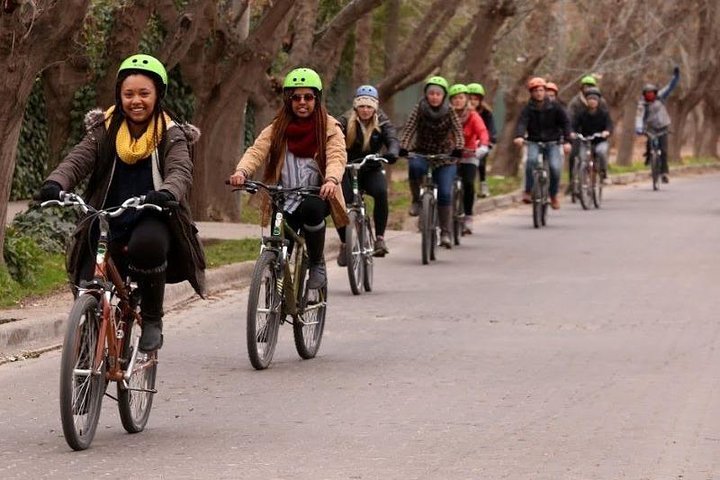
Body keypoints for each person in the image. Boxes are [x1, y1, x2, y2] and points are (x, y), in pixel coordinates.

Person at [36, 54, 206, 352]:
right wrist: (56, 183)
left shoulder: (170, 132)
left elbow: (180, 169)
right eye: (128, 94)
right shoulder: (106, 127)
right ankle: (89, 333)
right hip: (107, 213)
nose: (135, 101)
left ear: (158, 95)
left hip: (151, 212)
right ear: (119, 95)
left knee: (148, 245)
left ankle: (152, 317)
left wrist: (167, 192)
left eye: (144, 93)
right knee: (87, 269)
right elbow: (78, 159)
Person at [229, 67, 347, 289]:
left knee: (312, 210)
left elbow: (337, 156)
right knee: (279, 244)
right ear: (288, 100)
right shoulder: (278, 127)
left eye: (308, 97)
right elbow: (257, 150)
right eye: (296, 97)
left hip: (316, 193)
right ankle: (277, 286)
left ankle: (316, 263)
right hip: (284, 197)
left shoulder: (330, 127)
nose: (302, 102)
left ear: (317, 99)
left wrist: (331, 180)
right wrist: (242, 172)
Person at [335, 85, 399, 265]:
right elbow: (332, 138)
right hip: (347, 169)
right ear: (356, 106)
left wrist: (393, 152)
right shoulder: (345, 120)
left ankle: (379, 238)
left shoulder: (382, 121)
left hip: (371, 168)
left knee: (381, 192)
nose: (365, 110)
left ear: (375, 108)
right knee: (340, 203)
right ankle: (345, 243)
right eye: (362, 106)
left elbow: (392, 138)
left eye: (369, 106)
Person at [399, 75, 464, 248]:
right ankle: (416, 200)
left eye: (438, 94)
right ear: (427, 95)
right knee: (414, 166)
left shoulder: (449, 110)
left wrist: (458, 147)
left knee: (444, 192)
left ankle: (445, 232)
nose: (434, 96)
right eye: (431, 93)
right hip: (422, 153)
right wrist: (403, 146)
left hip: (445, 157)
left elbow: (458, 132)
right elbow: (409, 129)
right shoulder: (419, 108)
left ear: (443, 96)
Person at [513, 77, 571, 209]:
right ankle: (527, 191)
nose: (539, 93)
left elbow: (565, 123)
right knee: (531, 161)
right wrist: (520, 136)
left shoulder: (555, 106)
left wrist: (567, 141)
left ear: (545, 91)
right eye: (535, 91)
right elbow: (522, 123)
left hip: (553, 142)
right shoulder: (528, 108)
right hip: (534, 141)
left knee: (555, 168)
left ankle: (553, 195)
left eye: (541, 90)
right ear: (531, 93)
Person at [448, 83, 489, 234]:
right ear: (450, 101)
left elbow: (483, 131)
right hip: (450, 155)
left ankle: (468, 216)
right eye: (455, 98)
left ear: (466, 100)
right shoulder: (447, 114)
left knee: (468, 184)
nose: (458, 101)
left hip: (469, 154)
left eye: (461, 98)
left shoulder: (473, 115)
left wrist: (483, 146)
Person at [635, 66, 680, 183]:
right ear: (644, 94)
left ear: (655, 93)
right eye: (647, 93)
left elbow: (670, 87)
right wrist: (639, 128)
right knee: (650, 145)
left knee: (663, 151)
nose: (650, 95)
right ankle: (650, 160)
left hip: (663, 127)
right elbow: (639, 116)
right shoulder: (642, 104)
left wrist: (675, 77)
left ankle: (664, 173)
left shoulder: (660, 97)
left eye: (652, 93)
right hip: (650, 128)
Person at [566, 75, 608, 193]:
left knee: (599, 152)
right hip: (580, 133)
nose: (587, 89)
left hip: (596, 134)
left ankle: (601, 173)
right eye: (585, 86)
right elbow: (570, 117)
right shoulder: (575, 102)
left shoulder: (601, 101)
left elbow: (606, 118)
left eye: (590, 86)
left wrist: (605, 131)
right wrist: (571, 132)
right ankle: (573, 182)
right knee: (574, 155)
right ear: (581, 87)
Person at [571, 87, 612, 180]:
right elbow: (574, 124)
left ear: (598, 101)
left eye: (594, 99)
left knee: (601, 152)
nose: (592, 101)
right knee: (582, 158)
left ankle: (603, 172)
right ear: (586, 101)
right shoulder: (581, 113)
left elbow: (609, 125)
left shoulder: (604, 113)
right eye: (590, 99)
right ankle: (581, 179)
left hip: (600, 141)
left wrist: (606, 132)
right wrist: (572, 132)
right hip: (585, 140)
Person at [467, 82, 496, 198]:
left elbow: (490, 129)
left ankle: (483, 183)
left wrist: (490, 140)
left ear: (480, 100)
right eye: (470, 98)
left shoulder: (487, 113)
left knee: (481, 162)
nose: (473, 101)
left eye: (476, 99)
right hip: (465, 142)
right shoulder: (461, 112)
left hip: (481, 142)